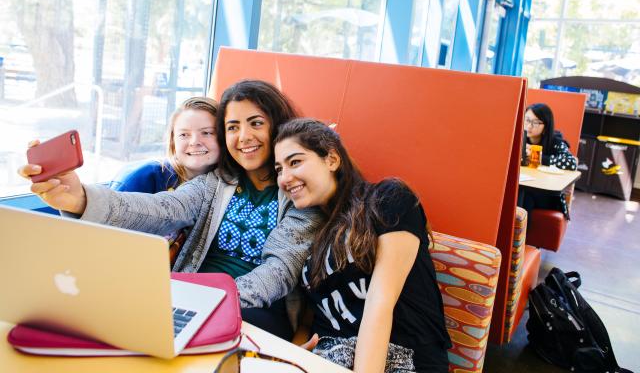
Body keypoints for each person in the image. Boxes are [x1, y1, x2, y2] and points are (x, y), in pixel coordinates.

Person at [19, 80, 324, 340]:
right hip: (184, 298)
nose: (243, 136)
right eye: (233, 127)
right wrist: (79, 198)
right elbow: (161, 209)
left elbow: (278, 273)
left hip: (254, 310)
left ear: (278, 127)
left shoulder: (298, 191)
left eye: (256, 123)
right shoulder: (216, 183)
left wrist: (195, 293)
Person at [273, 119, 451, 373]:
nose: (285, 178)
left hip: (401, 359)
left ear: (332, 159)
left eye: (295, 162)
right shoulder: (313, 234)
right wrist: (289, 362)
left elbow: (380, 303)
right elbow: (310, 320)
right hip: (324, 359)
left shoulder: (387, 199)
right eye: (279, 169)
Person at [108, 96, 219, 194]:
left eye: (207, 133)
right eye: (184, 134)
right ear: (173, 141)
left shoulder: (230, 188)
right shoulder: (138, 179)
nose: (194, 142)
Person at [520, 103, 577, 218]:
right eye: (527, 120)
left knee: (526, 197)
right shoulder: (519, 137)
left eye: (535, 123)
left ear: (546, 126)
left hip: (548, 195)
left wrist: (536, 156)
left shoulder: (555, 142)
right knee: (520, 194)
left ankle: (519, 235)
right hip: (525, 186)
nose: (529, 126)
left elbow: (571, 162)